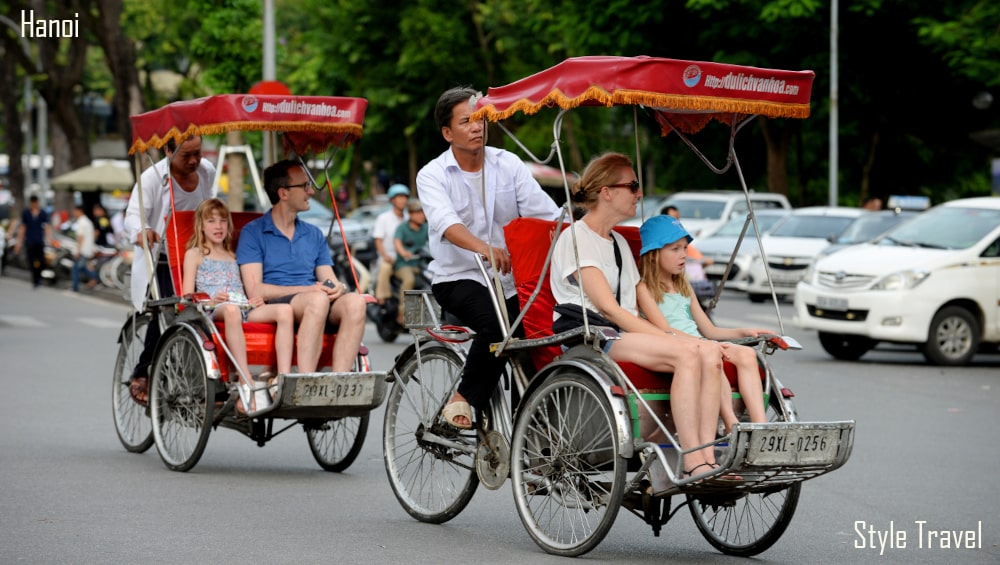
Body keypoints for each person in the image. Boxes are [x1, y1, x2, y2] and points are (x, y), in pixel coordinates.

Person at [550, 152, 729, 478]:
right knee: (687, 354)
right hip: (592, 336)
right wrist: (669, 339)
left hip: (622, 333)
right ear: (607, 192)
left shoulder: (618, 242)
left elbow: (639, 301)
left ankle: (708, 455)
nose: (639, 193)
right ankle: (693, 460)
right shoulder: (577, 238)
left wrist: (680, 335)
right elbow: (609, 308)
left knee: (706, 350)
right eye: (632, 186)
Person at [418, 86, 561, 429]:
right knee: (499, 327)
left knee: (542, 337)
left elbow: (545, 215)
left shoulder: (507, 164)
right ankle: (463, 398)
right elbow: (446, 223)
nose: (476, 127)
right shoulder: (432, 174)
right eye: (466, 121)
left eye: (481, 119)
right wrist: (484, 248)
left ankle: (530, 436)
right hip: (459, 278)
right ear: (447, 133)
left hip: (511, 281)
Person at [637, 214, 771, 432]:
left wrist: (744, 331)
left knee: (748, 354)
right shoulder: (643, 288)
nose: (683, 255)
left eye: (684, 248)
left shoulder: (683, 285)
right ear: (653, 255)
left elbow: (709, 329)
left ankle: (760, 429)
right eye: (675, 249)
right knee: (712, 356)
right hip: (675, 346)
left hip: (701, 341)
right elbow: (664, 329)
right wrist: (706, 344)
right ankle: (731, 424)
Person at [237, 159, 367, 373]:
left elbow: (328, 278)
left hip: (316, 299)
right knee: (317, 300)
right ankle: (305, 380)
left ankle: (339, 379)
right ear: (283, 193)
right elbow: (255, 290)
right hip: (280, 302)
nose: (311, 192)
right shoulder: (253, 233)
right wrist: (310, 290)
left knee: (356, 302)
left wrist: (338, 287)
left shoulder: (313, 233)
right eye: (305, 186)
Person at [124, 135, 216, 405]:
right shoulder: (152, 179)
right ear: (167, 150)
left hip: (198, 256)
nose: (194, 161)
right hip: (163, 259)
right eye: (186, 155)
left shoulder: (207, 171)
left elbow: (210, 207)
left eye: (197, 153)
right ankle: (143, 371)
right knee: (167, 309)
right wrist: (143, 230)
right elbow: (133, 215)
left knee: (214, 308)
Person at [183, 198, 294, 414]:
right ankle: (246, 381)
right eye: (211, 221)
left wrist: (256, 300)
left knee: (285, 310)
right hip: (213, 308)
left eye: (223, 221)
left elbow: (243, 289)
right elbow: (187, 296)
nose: (218, 227)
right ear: (201, 226)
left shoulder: (233, 255)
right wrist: (211, 301)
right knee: (231, 310)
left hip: (242, 306)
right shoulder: (195, 254)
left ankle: (282, 378)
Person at [392, 199, 429, 325]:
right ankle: (402, 313)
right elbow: (397, 242)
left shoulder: (426, 228)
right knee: (409, 280)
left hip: (421, 264)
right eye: (418, 212)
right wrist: (404, 252)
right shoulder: (402, 228)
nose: (421, 215)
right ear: (410, 214)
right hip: (404, 264)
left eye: (423, 212)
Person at [373, 184, 409, 303]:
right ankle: (381, 301)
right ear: (392, 200)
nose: (403, 200)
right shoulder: (383, 218)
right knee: (385, 268)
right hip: (389, 256)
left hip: (407, 257)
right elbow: (378, 241)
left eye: (405, 197)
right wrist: (385, 256)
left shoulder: (409, 218)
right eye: (400, 197)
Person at [14, 195, 52, 288]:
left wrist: (49, 239)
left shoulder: (43, 213)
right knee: (31, 260)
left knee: (41, 261)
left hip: (39, 240)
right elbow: (23, 228)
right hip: (29, 240)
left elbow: (47, 227)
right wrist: (18, 243)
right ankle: (35, 279)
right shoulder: (26, 213)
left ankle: (39, 276)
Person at [70, 204, 99, 292]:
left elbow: (80, 237)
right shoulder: (87, 221)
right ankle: (95, 277)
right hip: (87, 249)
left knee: (76, 268)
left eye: (75, 211)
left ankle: (75, 287)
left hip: (83, 249)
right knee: (82, 267)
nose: (74, 213)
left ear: (79, 211)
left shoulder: (82, 222)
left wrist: (78, 251)